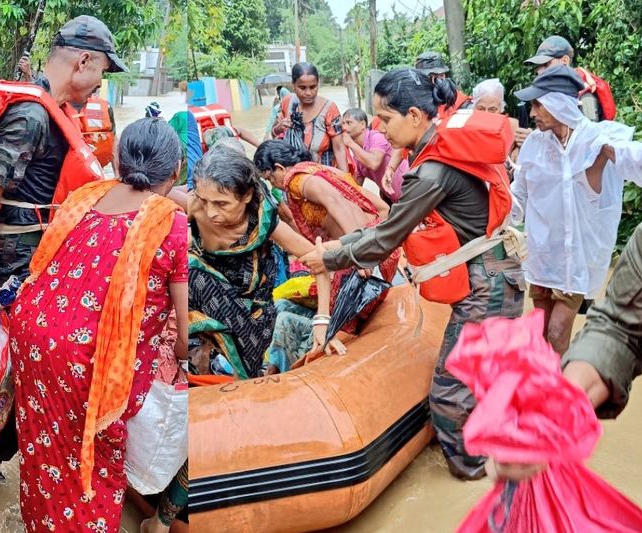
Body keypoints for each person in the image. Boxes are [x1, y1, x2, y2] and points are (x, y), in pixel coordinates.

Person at [298, 68, 525, 480]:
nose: (380, 130)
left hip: (486, 285)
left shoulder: (433, 173)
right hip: (498, 274)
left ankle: (473, 476)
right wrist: (341, 246)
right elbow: (386, 228)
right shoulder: (440, 149)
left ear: (416, 116)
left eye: (385, 119)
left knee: (449, 393)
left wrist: (328, 260)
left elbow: (385, 239)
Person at [0, 15, 126, 481]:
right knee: (11, 366)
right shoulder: (31, 114)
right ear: (83, 61)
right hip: (11, 264)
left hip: (33, 259)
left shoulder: (52, 108)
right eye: (102, 72)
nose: (99, 85)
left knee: (20, 365)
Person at [11, 117, 188, 533]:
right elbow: (184, 327)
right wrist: (181, 357)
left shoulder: (86, 196)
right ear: (177, 170)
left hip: (32, 337)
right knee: (93, 466)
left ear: (119, 163)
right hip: (92, 363)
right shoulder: (171, 222)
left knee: (44, 452)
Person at [491, 185, 642, 521]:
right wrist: (558, 409)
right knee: (548, 331)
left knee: (557, 332)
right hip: (541, 265)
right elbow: (622, 326)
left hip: (573, 270)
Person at [511, 65, 642, 356]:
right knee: (537, 334)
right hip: (541, 257)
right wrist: (500, 220)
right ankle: (539, 390)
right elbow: (519, 194)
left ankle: (555, 397)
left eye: (537, 105)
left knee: (557, 333)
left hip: (575, 261)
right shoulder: (534, 144)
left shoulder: (595, 141)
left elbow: (639, 157)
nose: (531, 114)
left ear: (559, 103)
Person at [188, 146, 334, 379]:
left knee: (253, 369)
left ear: (246, 196)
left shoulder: (264, 221)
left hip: (255, 310)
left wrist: (322, 318)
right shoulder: (196, 207)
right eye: (204, 201)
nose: (211, 212)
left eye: (222, 204)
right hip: (206, 301)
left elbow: (319, 262)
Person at [253, 140, 392, 371]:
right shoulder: (324, 170)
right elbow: (381, 207)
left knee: (294, 317)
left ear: (279, 168)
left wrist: (358, 254)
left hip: (356, 259)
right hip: (374, 252)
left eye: (270, 179)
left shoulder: (296, 180)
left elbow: (336, 203)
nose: (274, 185)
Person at [271, 62, 349, 172]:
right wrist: (279, 127)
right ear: (293, 85)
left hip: (322, 175)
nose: (308, 93)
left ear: (318, 83)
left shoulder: (329, 109)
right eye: (302, 88)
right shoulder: (287, 103)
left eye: (313, 87)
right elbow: (273, 134)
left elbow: (339, 148)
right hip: (291, 173)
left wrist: (345, 183)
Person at [524, 35, 616, 122]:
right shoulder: (557, 93)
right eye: (539, 66)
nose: (540, 72)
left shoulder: (585, 96)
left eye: (546, 64)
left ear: (565, 61)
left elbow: (590, 135)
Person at [341, 107, 410, 202]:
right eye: (343, 123)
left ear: (363, 124)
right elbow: (355, 188)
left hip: (409, 190)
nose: (344, 128)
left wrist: (350, 143)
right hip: (392, 199)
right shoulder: (357, 157)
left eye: (349, 123)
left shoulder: (376, 136)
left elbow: (374, 163)